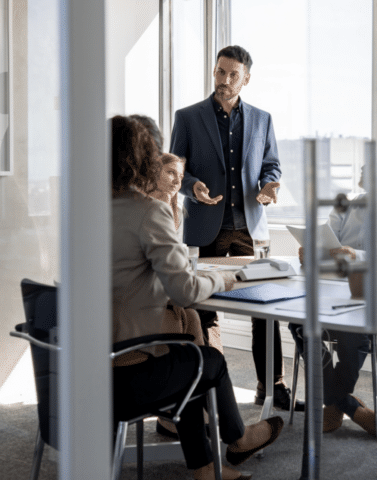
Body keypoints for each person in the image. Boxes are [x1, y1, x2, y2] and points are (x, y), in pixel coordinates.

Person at [110, 115, 283, 480]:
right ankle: (238, 439)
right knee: (209, 361)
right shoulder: (147, 211)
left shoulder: (85, 211)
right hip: (126, 378)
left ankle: (205, 467)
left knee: (185, 345)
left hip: (83, 368)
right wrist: (223, 278)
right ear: (143, 160)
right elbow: (186, 289)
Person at [170, 45, 300, 411]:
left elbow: (271, 166)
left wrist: (270, 185)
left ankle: (271, 386)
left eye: (232, 75)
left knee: (264, 307)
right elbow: (173, 171)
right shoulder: (188, 117)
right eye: (219, 72)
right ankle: (213, 387)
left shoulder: (262, 119)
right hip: (204, 228)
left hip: (249, 228)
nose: (224, 81)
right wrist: (190, 185)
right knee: (204, 309)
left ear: (246, 78)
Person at [289, 144, 377, 438]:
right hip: (331, 286)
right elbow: (327, 239)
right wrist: (312, 251)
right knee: (298, 321)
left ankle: (335, 402)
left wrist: (358, 255)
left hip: (370, 292)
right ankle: (345, 402)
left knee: (352, 331)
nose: (362, 168)